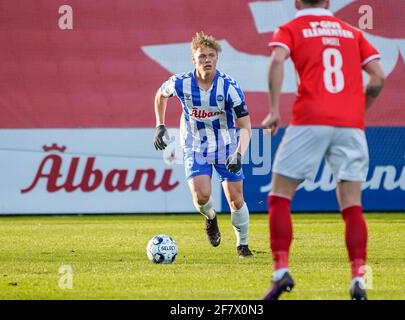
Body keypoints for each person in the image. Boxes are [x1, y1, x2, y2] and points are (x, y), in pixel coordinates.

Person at [261, 0, 385, 300]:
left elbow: (277, 60)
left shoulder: (292, 28)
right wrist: (359, 111)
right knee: (352, 204)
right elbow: (378, 77)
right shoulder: (351, 32)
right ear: (328, 2)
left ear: (297, 2)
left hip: (310, 119)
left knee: (279, 196)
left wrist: (275, 109)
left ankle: (281, 271)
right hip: (351, 125)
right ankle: (358, 277)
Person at [153, 31, 254, 258]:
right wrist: (160, 125)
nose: (207, 60)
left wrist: (239, 153)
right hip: (195, 146)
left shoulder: (229, 87)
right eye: (202, 56)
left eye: (211, 55)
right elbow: (160, 95)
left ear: (217, 58)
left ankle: (242, 245)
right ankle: (211, 219)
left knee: (236, 199)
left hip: (226, 147)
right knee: (201, 197)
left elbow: (246, 125)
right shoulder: (180, 83)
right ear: (194, 60)